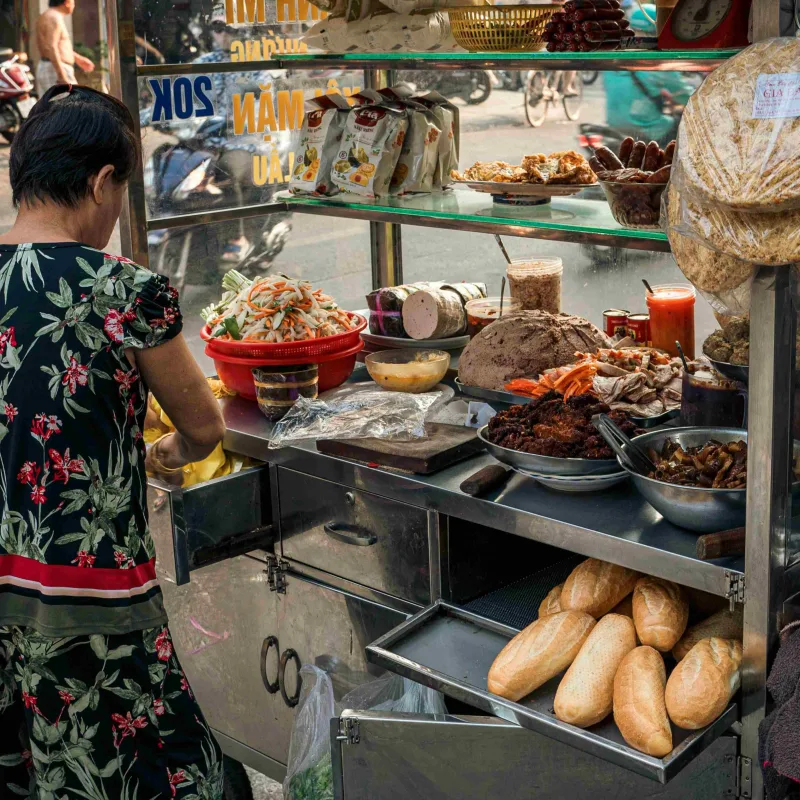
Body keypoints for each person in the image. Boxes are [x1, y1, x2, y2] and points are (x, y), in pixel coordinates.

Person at [0, 84, 226, 797]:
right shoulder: (124, 290)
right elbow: (202, 427)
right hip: (91, 593)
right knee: (148, 771)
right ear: (102, 183)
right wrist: (166, 456)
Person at [601, 5, 693, 144]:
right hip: (646, 128)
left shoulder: (616, 55)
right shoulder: (659, 61)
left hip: (613, 123)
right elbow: (685, 96)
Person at [35, 0, 95, 94]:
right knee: (71, 106)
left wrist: (78, 59)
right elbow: (51, 47)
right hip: (55, 70)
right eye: (73, 2)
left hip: (54, 68)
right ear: (67, 2)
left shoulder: (52, 16)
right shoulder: (53, 17)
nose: (74, 5)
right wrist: (61, 76)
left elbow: (58, 46)